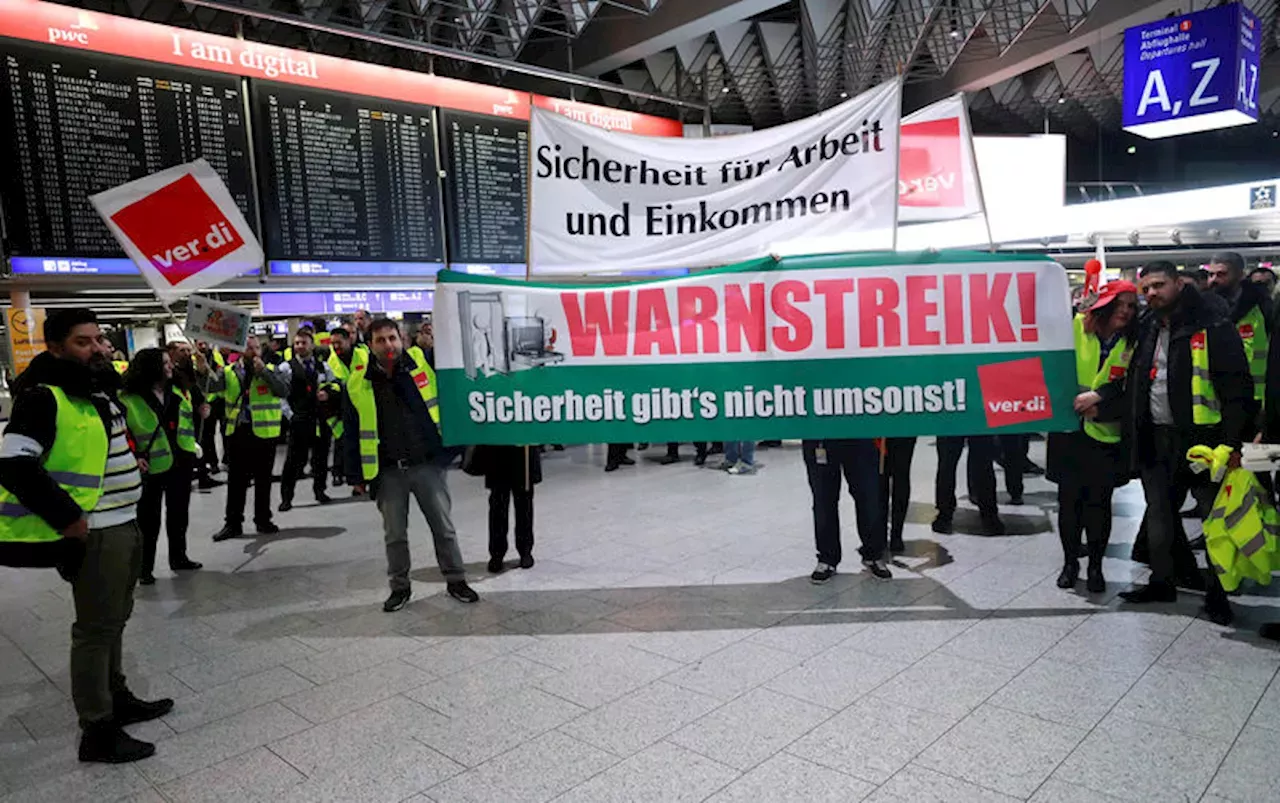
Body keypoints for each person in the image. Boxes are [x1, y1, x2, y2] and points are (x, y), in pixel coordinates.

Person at [0, 309, 174, 763]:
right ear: (55, 347)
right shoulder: (43, 396)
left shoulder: (94, 392)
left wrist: (126, 464)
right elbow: (15, 464)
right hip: (95, 532)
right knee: (95, 629)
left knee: (115, 618)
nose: (97, 348)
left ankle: (117, 697)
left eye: (99, 339)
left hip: (124, 522)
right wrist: (69, 519)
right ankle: (97, 728)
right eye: (83, 342)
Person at [1118, 262, 1252, 625]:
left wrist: (1233, 443)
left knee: (1214, 520)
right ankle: (1162, 582)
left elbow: (1237, 388)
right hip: (1155, 436)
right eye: (1146, 288)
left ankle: (1218, 594)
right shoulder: (1147, 326)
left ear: (1178, 283)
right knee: (1159, 513)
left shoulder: (1211, 324)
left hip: (1204, 442)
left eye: (1159, 285)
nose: (1151, 294)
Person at [342, 318, 478, 611]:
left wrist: (450, 451)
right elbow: (351, 429)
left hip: (427, 464)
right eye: (380, 340)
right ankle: (399, 588)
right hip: (388, 471)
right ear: (369, 345)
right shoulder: (359, 382)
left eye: (392, 338)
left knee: (443, 528)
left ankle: (456, 580)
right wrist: (355, 474)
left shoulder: (418, 364)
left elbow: (451, 388)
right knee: (394, 535)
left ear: (402, 338)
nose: (389, 345)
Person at [1049, 281, 1138, 593]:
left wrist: (1100, 403)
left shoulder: (1135, 339)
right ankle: (1070, 563)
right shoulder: (1074, 327)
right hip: (1068, 430)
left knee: (1099, 505)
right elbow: (1051, 369)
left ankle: (1096, 566)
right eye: (1120, 304)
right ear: (1104, 304)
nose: (1126, 311)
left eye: (1131, 305)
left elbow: (1133, 390)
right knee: (1069, 503)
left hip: (1106, 432)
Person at [121, 348, 203, 585]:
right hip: (150, 465)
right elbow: (122, 432)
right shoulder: (128, 398)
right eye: (165, 363)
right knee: (148, 519)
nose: (170, 367)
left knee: (179, 513)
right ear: (151, 368)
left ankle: (179, 557)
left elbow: (187, 417)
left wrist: (201, 411)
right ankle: (144, 568)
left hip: (181, 459)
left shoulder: (177, 389)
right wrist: (134, 455)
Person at [206, 336, 291, 541]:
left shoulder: (273, 369)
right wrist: (203, 371)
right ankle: (233, 523)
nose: (253, 351)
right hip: (238, 431)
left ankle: (263, 519)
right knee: (236, 481)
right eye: (248, 348)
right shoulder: (230, 372)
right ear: (240, 351)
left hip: (265, 432)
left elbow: (283, 390)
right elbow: (210, 387)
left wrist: (264, 372)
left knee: (263, 479)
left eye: (256, 348)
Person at [803, 438, 892, 583]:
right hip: (819, 435)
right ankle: (827, 558)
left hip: (860, 433)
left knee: (869, 498)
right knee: (823, 500)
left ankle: (873, 554)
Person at [1207, 252, 1272, 416]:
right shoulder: (1202, 310)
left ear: (1240, 275)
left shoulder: (1264, 307)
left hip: (1256, 398)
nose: (1213, 280)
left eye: (1221, 274)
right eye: (1210, 274)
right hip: (1213, 398)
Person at [279, 330, 333, 511]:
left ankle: (320, 491)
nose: (300, 346)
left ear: (312, 345)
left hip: (320, 419)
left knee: (321, 458)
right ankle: (286, 498)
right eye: (297, 343)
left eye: (303, 343)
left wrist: (329, 394)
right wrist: (290, 416)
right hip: (299, 419)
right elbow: (281, 394)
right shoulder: (286, 368)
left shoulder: (323, 367)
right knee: (294, 461)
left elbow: (333, 385)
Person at [474, 445, 539, 573]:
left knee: (524, 506)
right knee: (498, 507)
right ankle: (497, 553)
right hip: (497, 453)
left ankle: (525, 550)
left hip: (523, 453)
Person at [933, 435, 1004, 535]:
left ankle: (944, 513)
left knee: (947, 463)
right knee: (982, 462)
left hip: (950, 421)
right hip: (975, 421)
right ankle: (989, 513)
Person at [880, 437, 916, 554]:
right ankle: (884, 533)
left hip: (903, 429)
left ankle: (895, 533)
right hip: (882, 431)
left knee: (899, 477)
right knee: (882, 479)